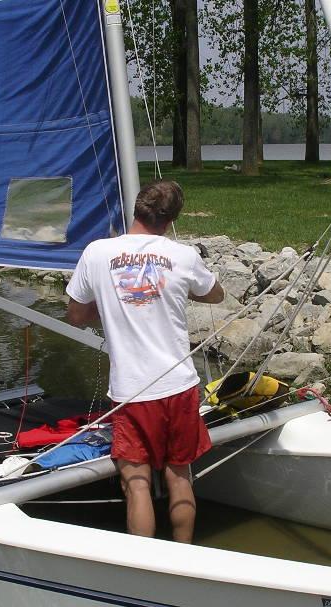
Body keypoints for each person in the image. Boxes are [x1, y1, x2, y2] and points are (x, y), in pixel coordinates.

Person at [65, 180, 224, 544]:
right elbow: (215, 294)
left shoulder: (97, 252)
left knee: (135, 482)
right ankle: (183, 557)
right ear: (171, 220)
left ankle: (145, 567)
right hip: (179, 386)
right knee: (179, 476)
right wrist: (183, 290)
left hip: (132, 392)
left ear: (136, 209)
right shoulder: (184, 256)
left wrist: (106, 305)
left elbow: (75, 315)